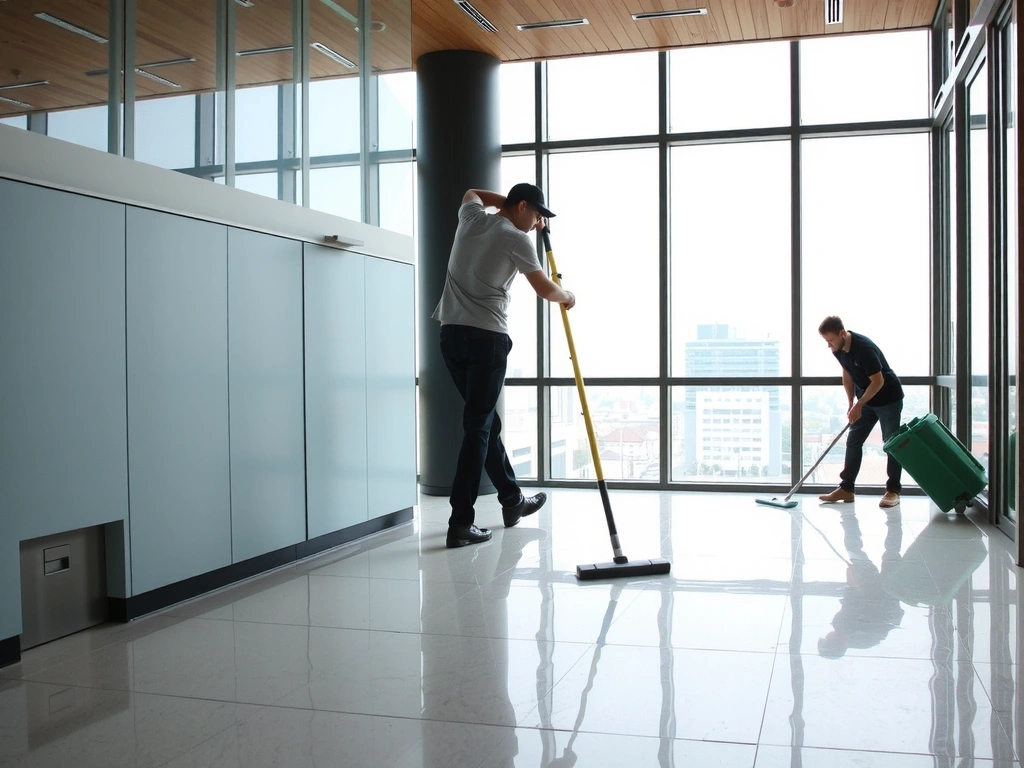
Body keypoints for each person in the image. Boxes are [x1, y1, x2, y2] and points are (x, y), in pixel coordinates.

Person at [433, 183, 576, 549]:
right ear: (523, 205)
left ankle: (512, 502)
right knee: (478, 429)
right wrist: (569, 296)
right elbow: (545, 289)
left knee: (484, 424)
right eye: (537, 213)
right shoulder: (517, 238)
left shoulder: (472, 219)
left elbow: (469, 192)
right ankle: (461, 522)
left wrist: (514, 208)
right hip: (486, 340)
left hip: (450, 336)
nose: (539, 221)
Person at [817, 316, 904, 508]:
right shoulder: (838, 349)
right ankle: (846, 488)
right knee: (853, 441)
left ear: (842, 333)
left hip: (888, 399)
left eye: (830, 340)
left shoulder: (864, 349)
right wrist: (851, 402)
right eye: (826, 341)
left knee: (891, 444)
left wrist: (859, 404)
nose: (829, 345)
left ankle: (893, 491)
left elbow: (878, 382)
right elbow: (847, 373)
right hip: (866, 400)